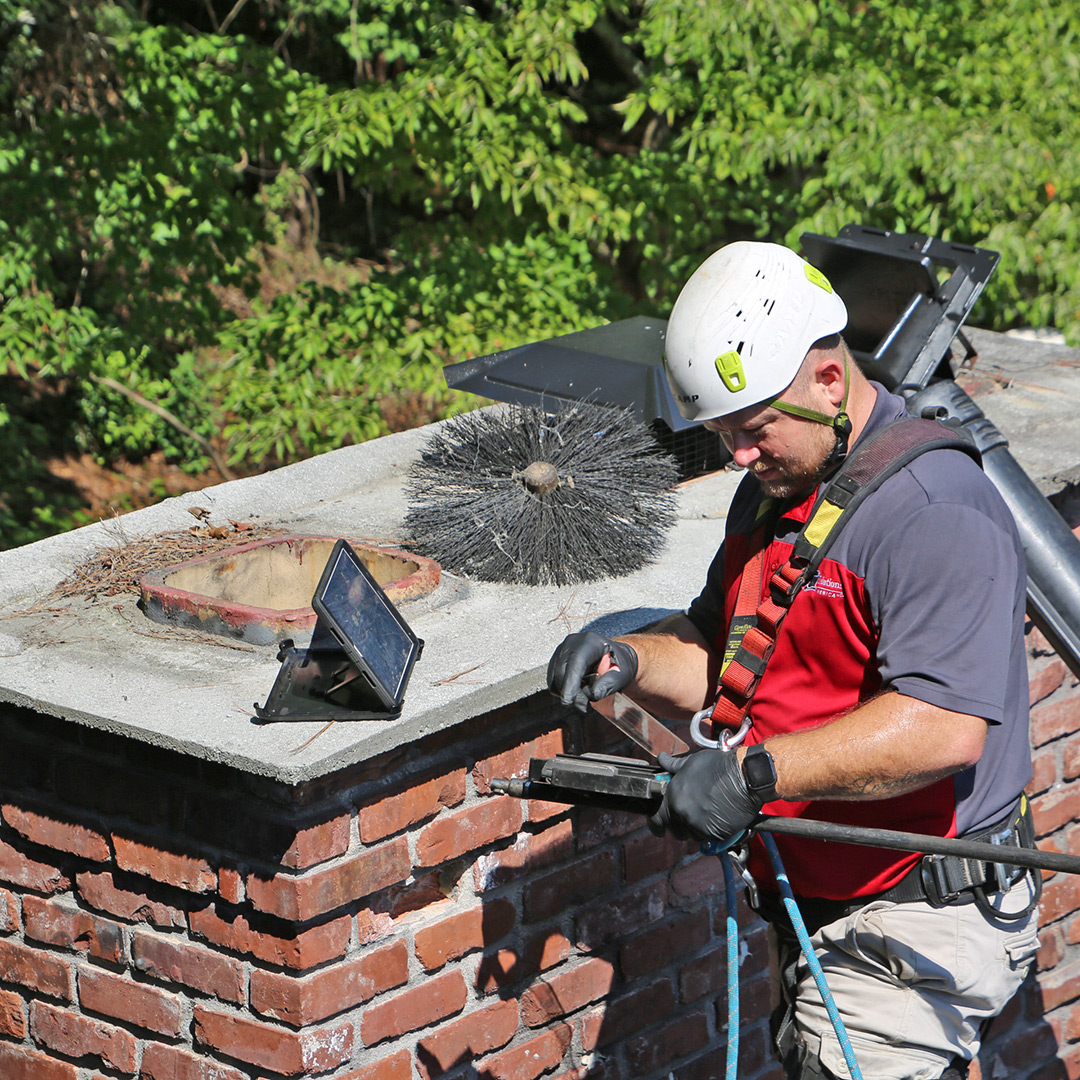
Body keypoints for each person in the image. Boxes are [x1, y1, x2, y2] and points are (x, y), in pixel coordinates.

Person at [546, 242, 1039, 1080]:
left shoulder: (931, 512)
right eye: (724, 434)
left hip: (910, 924)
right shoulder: (781, 486)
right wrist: (629, 658)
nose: (738, 454)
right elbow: (726, 655)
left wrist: (753, 776)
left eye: (754, 427)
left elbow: (945, 728)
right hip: (822, 902)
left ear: (827, 379)